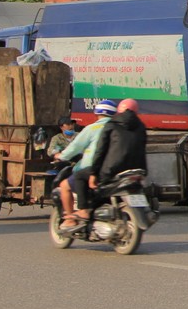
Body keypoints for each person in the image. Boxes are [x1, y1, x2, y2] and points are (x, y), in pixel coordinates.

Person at [56, 100, 117, 232]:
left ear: (97, 114)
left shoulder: (92, 128)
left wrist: (61, 156)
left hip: (94, 169)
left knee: (65, 185)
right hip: (116, 170)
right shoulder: (120, 128)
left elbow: (75, 147)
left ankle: (71, 218)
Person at [88, 98, 148, 193]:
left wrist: (93, 173)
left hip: (112, 170)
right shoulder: (141, 127)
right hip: (138, 170)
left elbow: (100, 149)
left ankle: (84, 207)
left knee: (80, 177)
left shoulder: (111, 124)